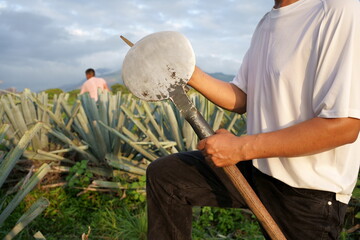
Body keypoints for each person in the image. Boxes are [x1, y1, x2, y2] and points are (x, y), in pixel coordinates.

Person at [146, 0, 360, 239]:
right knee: (167, 176)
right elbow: (243, 97)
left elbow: (344, 127)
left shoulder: (338, 9)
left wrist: (241, 148)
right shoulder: (267, 22)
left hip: (308, 192)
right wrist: (188, 72)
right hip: (262, 170)